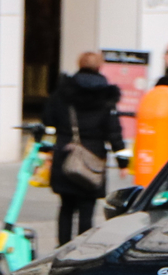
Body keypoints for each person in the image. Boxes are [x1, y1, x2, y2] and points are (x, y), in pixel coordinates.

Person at [46, 52, 121, 247]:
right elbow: (113, 131)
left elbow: (48, 118)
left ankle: (62, 248)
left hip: (66, 154)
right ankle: (81, 250)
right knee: (87, 208)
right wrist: (122, 161)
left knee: (66, 206)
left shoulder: (63, 91)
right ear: (100, 67)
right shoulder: (106, 95)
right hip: (93, 158)